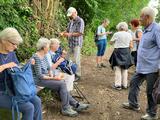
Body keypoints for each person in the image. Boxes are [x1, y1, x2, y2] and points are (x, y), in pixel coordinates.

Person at [32, 37, 90, 117]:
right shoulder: (36, 57)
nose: (49, 48)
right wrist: (54, 78)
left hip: (46, 77)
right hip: (38, 80)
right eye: (48, 46)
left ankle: (75, 105)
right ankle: (67, 108)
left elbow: (49, 68)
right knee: (61, 84)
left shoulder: (44, 55)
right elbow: (40, 76)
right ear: (44, 47)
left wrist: (52, 75)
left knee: (61, 84)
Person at [122, 7, 160, 120]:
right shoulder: (145, 28)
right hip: (142, 66)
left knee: (150, 91)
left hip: (152, 67)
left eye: (141, 17)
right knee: (134, 83)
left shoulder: (157, 29)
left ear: (147, 17)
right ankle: (133, 104)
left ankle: (152, 114)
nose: (139, 19)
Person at [0, 27, 42, 120]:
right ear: (3, 40)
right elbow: (8, 66)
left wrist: (26, 64)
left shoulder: (11, 53)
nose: (16, 47)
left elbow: (17, 69)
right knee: (28, 107)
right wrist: (4, 66)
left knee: (37, 101)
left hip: (13, 88)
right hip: (2, 91)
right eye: (14, 44)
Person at [60, 7, 84, 81]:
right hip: (70, 43)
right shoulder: (71, 21)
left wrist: (68, 34)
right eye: (70, 15)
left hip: (76, 43)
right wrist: (63, 33)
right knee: (66, 58)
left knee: (76, 60)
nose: (71, 16)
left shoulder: (80, 21)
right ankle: (67, 71)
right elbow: (67, 30)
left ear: (75, 12)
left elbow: (80, 33)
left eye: (72, 15)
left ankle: (78, 75)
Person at [109, 22, 133, 90]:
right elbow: (131, 46)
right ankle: (125, 85)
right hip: (126, 51)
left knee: (117, 68)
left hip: (118, 52)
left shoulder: (116, 34)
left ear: (119, 27)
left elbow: (110, 42)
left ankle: (118, 85)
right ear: (126, 28)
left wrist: (115, 42)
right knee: (125, 68)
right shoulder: (129, 34)